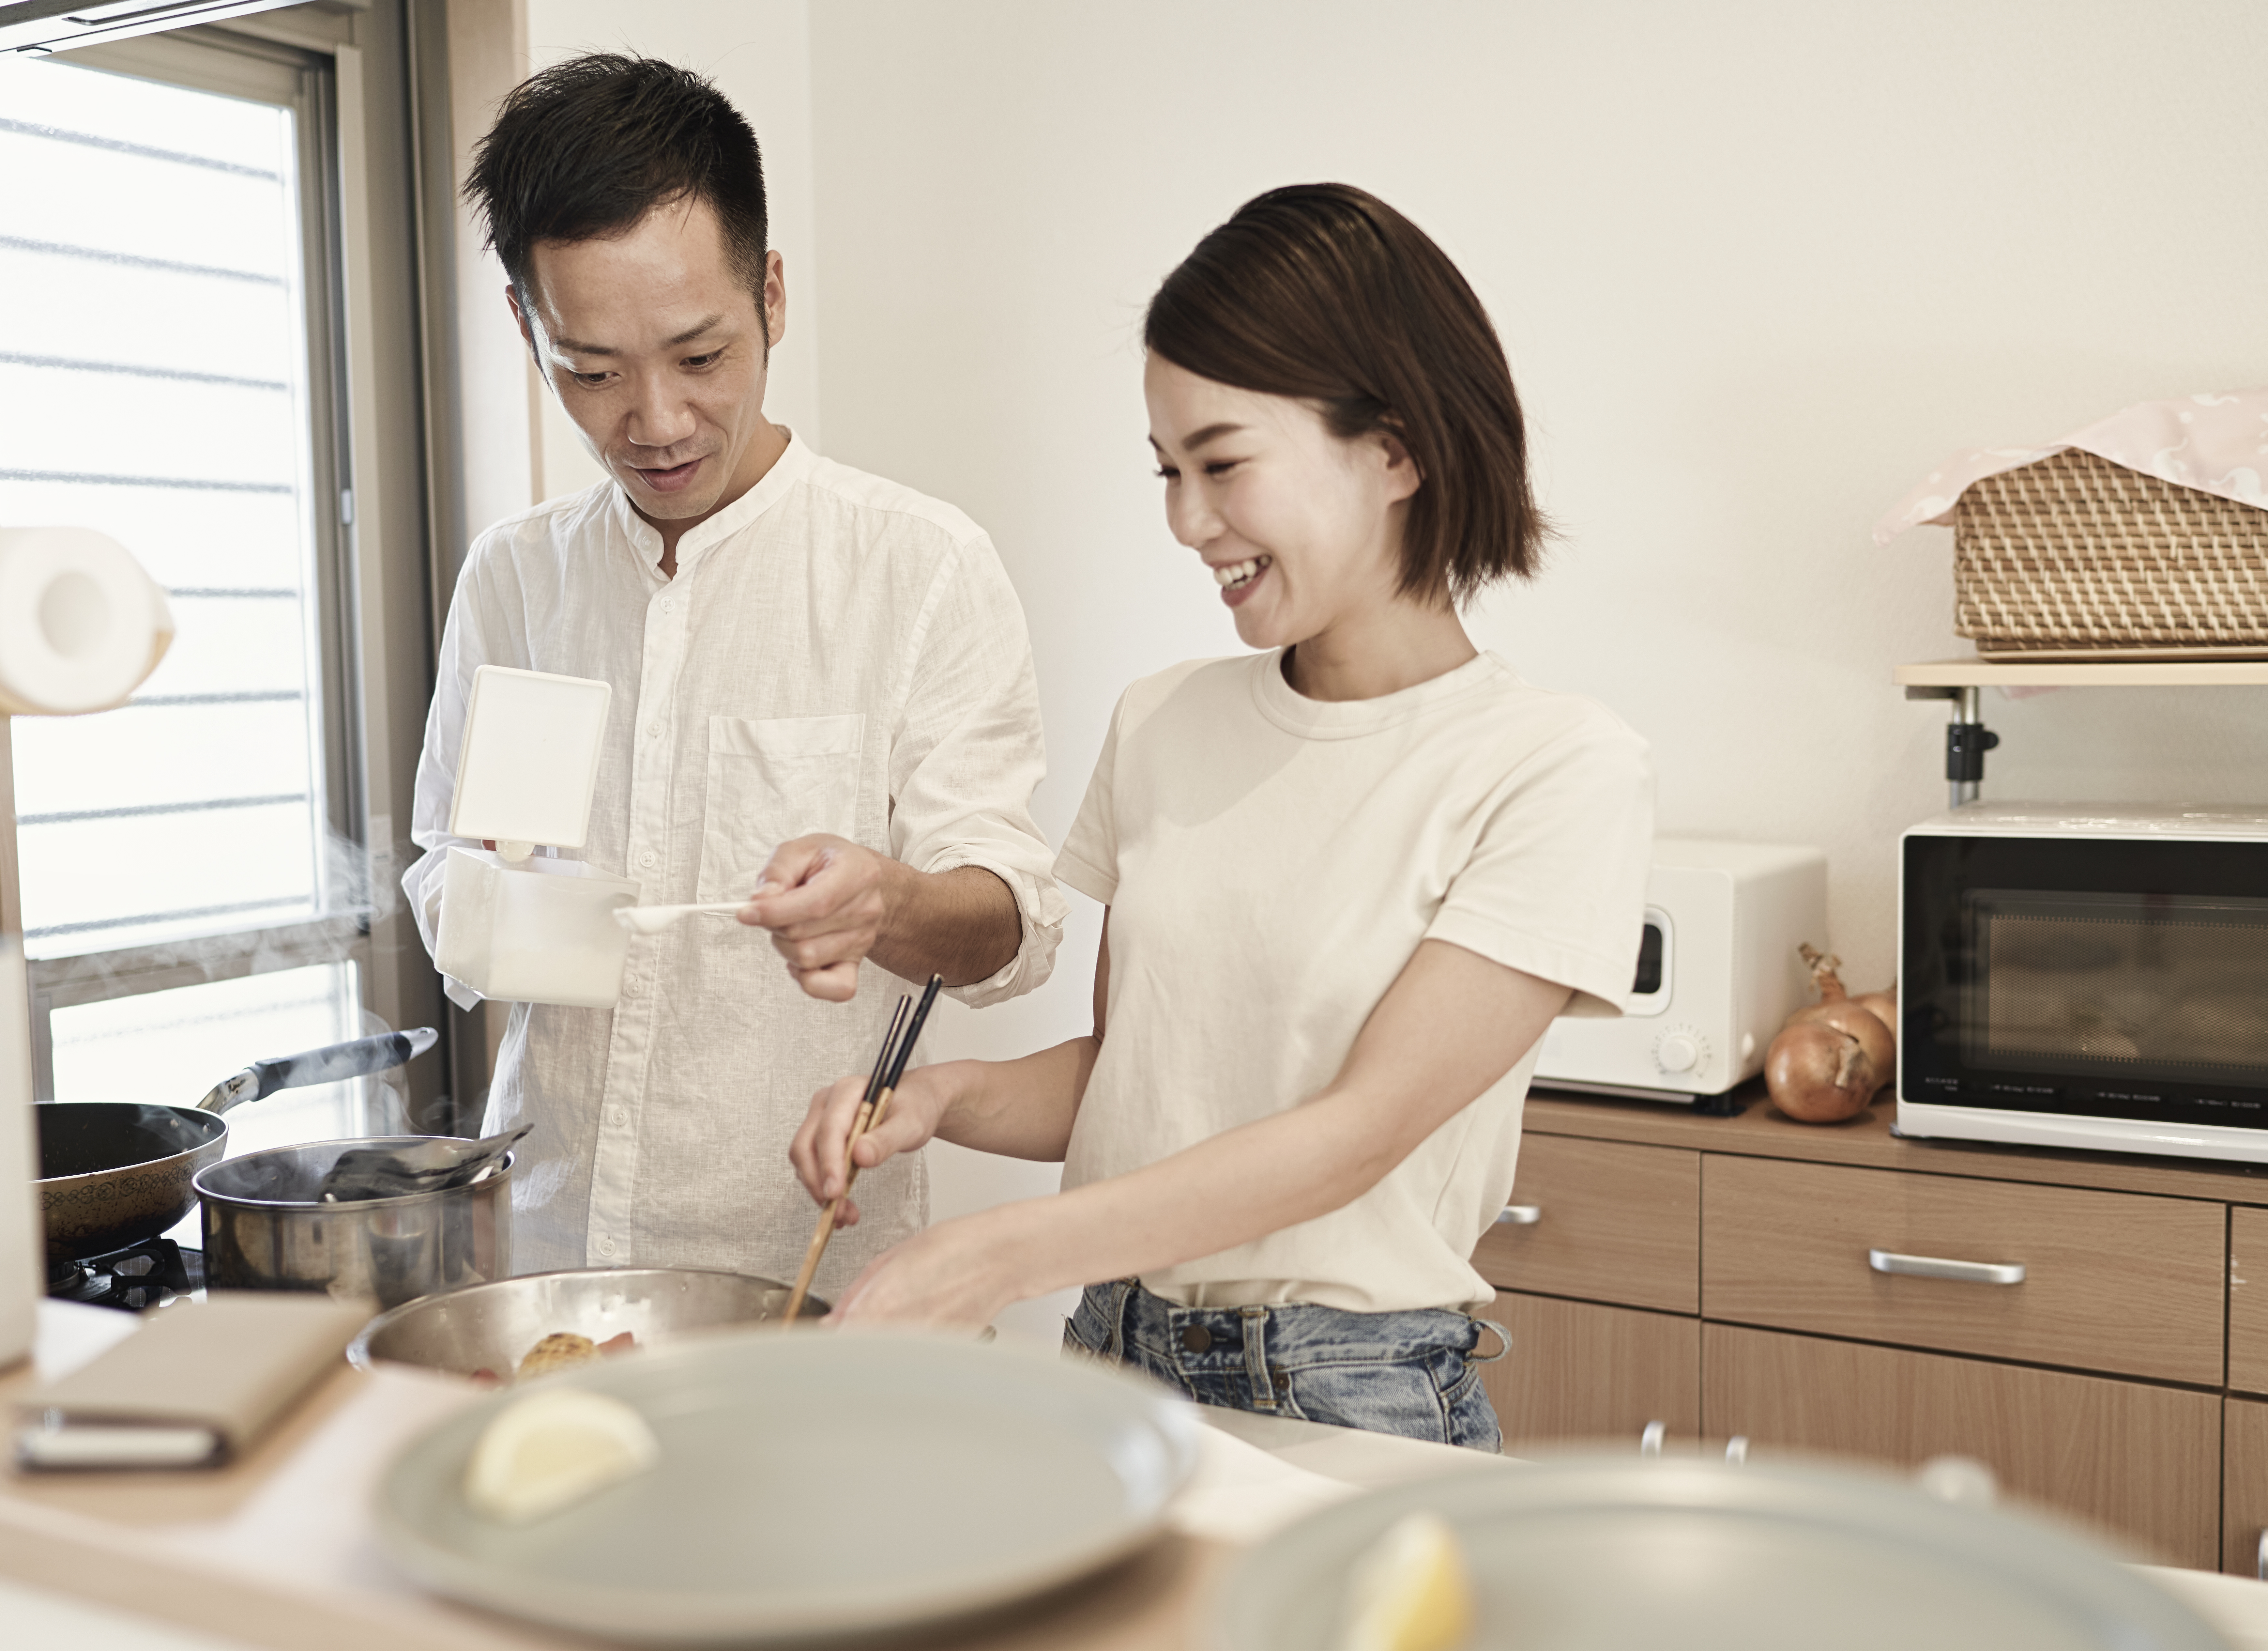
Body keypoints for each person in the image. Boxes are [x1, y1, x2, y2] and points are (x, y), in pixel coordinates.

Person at [787, 185, 1654, 1449]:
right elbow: (1134, 1076)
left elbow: (1349, 1136)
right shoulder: (1162, 722)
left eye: (1223, 463)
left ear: (1397, 449)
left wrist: (980, 1262)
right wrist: (942, 1094)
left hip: (1348, 1392)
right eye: (1167, 473)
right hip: (1108, 1361)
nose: (1189, 523)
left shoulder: (1553, 768)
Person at [403, 56, 1063, 1290]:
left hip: (811, 1271)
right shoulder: (513, 579)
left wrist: (892, 906)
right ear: (523, 325)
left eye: (699, 356)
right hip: (550, 1255)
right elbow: (448, 881)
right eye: (590, 371)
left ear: (769, 294)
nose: (653, 420)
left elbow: (1011, 926)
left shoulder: (917, 565)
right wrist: (506, 903)